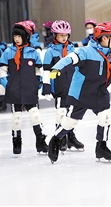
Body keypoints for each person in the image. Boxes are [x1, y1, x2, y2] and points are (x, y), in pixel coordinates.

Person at [47, 21, 111, 164]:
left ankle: (101, 147)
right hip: (81, 93)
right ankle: (56, 139)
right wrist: (56, 68)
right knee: (71, 121)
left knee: (106, 117)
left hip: (100, 93)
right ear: (105, 38)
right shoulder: (85, 52)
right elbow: (69, 59)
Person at [0, 21, 48, 155]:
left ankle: (40, 140)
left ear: (26, 36)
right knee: (17, 116)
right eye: (14, 36)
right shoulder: (8, 52)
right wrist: (5, 83)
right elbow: (3, 69)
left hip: (29, 88)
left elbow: (38, 69)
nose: (16, 39)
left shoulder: (33, 52)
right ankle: (16, 140)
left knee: (35, 114)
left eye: (19, 36)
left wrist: (38, 81)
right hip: (14, 89)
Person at [42, 20, 84, 152]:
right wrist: (47, 87)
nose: (64, 37)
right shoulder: (50, 52)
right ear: (54, 35)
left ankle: (70, 136)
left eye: (66, 35)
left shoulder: (72, 49)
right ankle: (60, 138)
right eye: (61, 35)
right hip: (59, 87)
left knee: (70, 113)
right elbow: (47, 71)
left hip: (72, 86)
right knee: (61, 112)